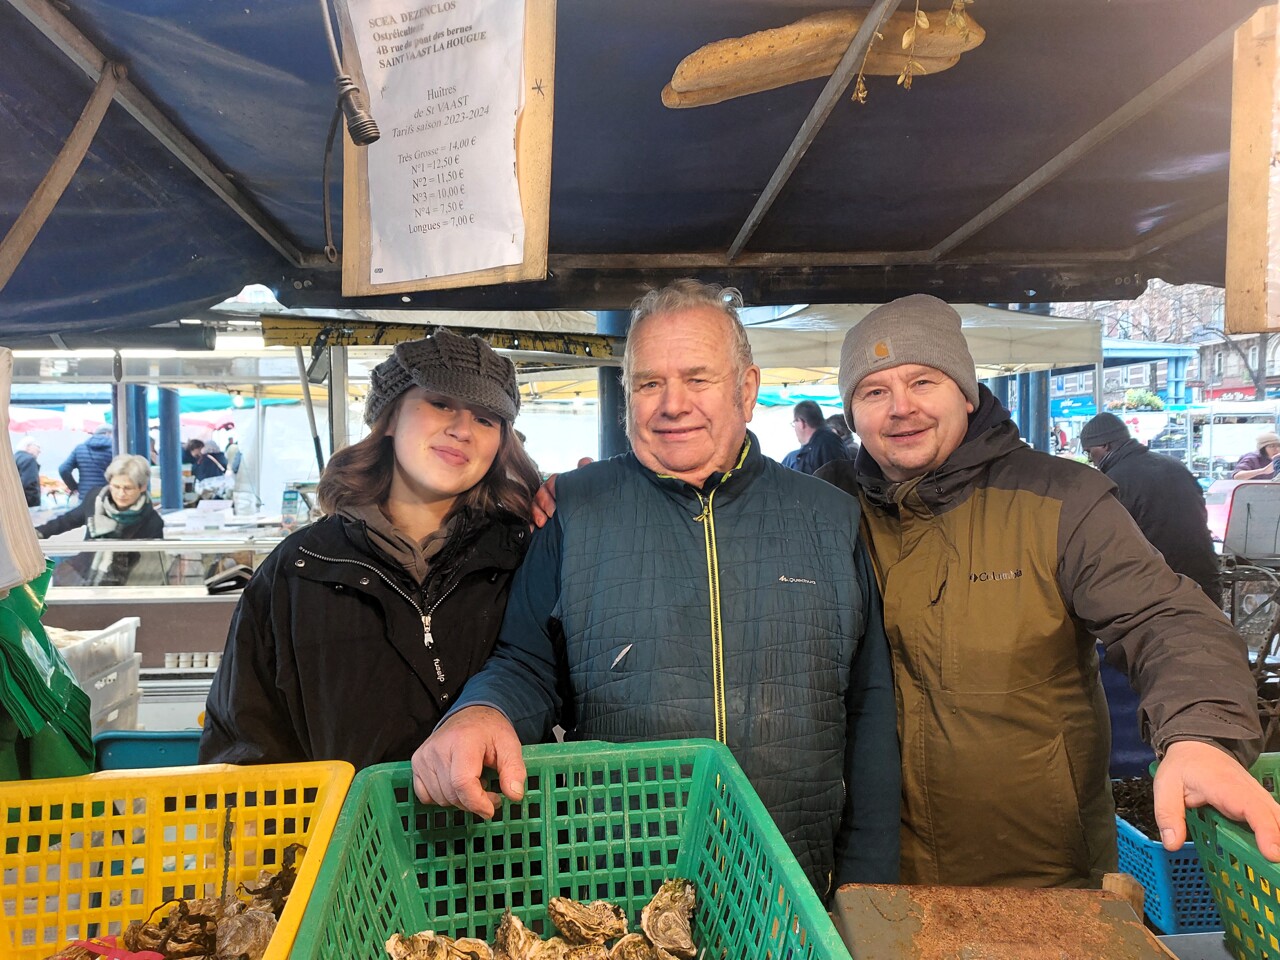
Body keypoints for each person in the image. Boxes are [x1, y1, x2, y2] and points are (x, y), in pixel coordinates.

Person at [411, 279, 901, 897]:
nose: (672, 404)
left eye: (698, 379)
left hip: (793, 882)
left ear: (745, 391)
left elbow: (870, 709)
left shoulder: (829, 518)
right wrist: (482, 711)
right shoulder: (574, 512)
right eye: (648, 383)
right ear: (627, 397)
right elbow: (525, 664)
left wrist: (870, 890)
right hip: (623, 885)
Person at [814, 293, 1277, 888]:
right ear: (852, 414)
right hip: (874, 873)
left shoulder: (1063, 500)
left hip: (1039, 873)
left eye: (923, 381)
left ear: (966, 392)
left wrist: (1200, 733)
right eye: (874, 391)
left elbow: (1166, 619)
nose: (901, 408)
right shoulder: (831, 511)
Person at [199, 330, 542, 770]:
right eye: (441, 403)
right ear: (391, 417)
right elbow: (243, 737)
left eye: (486, 419)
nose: (461, 430)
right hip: (345, 833)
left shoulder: (523, 554)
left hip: (501, 831)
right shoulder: (300, 568)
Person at [1079, 412, 1221, 600]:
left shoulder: (1115, 481)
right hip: (1204, 580)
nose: (1090, 460)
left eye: (1090, 452)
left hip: (1159, 588)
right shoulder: (1175, 466)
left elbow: (1106, 543)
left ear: (1105, 445)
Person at [35, 454, 164, 586]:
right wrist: (36, 534)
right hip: (83, 573)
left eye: (128, 488)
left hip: (123, 583)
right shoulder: (95, 499)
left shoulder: (152, 522)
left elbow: (151, 565)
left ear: (142, 487)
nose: (121, 493)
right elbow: (67, 520)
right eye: (116, 486)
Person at [782, 400, 851, 475]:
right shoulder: (829, 440)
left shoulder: (826, 444)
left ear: (801, 422)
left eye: (794, 423)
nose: (794, 428)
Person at [58, 425, 115, 497]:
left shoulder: (80, 448)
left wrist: (74, 487)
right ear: (108, 433)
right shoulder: (114, 449)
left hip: (85, 496)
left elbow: (63, 469)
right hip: (106, 496)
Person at [14, 438, 40, 507]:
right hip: (28, 504)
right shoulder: (29, 459)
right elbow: (29, 484)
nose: (40, 451)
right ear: (28, 446)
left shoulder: (14, 457)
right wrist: (35, 506)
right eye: (38, 447)